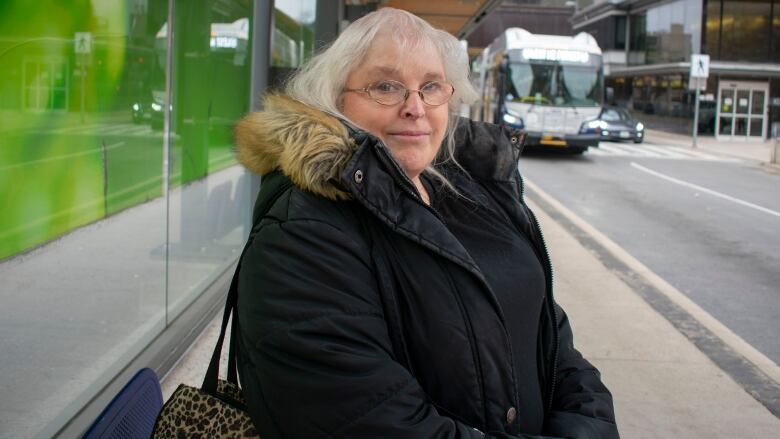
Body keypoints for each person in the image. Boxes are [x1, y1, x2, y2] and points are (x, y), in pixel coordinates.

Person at [233, 7, 618, 438]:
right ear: (334, 100)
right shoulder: (301, 237)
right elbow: (367, 420)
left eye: (431, 86)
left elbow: (549, 335)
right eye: (385, 86)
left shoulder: (471, 189)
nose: (415, 107)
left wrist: (589, 425)